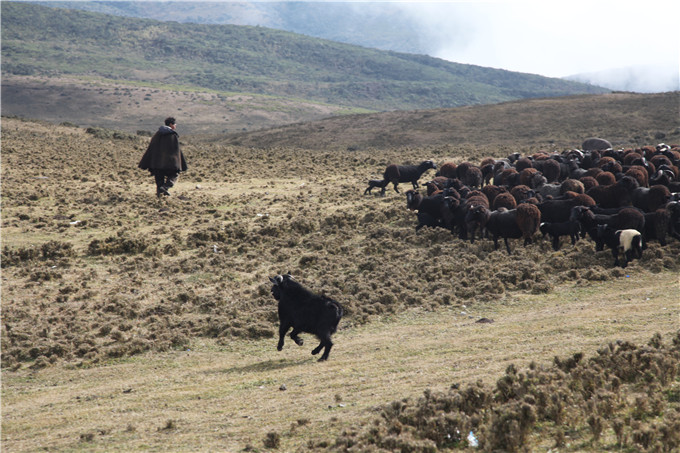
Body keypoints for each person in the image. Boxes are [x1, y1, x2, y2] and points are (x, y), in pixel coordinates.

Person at [138, 117, 187, 197]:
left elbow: (152, 148)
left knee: (159, 180)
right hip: (169, 163)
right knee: (174, 175)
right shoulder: (172, 135)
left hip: (156, 163)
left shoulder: (157, 134)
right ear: (171, 125)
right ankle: (165, 187)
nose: (175, 126)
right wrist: (177, 163)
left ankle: (160, 197)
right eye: (175, 124)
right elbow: (175, 151)